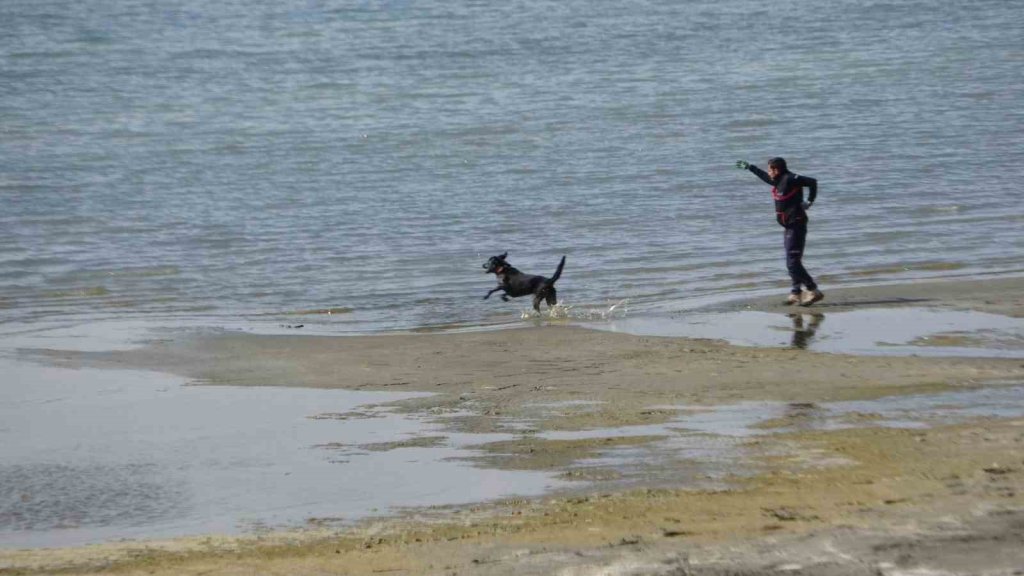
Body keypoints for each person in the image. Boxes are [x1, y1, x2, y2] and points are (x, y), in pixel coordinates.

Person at [735, 157, 823, 306]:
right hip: (788, 226)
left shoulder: (790, 178)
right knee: (792, 261)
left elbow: (812, 182)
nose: (768, 172)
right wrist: (750, 167)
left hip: (796, 224)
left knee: (792, 262)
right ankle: (796, 293)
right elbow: (764, 177)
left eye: (770, 169)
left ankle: (813, 290)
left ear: (777, 169)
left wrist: (809, 201)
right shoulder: (778, 180)